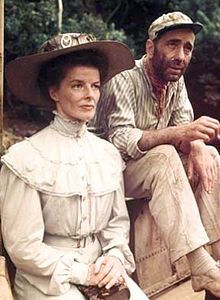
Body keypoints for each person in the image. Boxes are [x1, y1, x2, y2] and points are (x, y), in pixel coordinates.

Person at [0, 32, 149, 300]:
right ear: (54, 91)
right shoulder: (25, 159)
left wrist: (114, 258)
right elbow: (23, 247)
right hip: (46, 279)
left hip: (101, 271)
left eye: (95, 86)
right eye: (78, 85)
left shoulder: (107, 154)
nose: (90, 95)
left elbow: (116, 226)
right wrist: (81, 274)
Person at [94, 11, 220, 298]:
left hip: (146, 170)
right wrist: (180, 135)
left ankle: (214, 259)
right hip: (108, 171)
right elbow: (122, 140)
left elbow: (185, 125)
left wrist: (197, 144)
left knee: (211, 155)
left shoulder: (175, 80)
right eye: (172, 44)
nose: (181, 55)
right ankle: (200, 266)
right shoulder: (125, 77)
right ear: (151, 47)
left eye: (188, 48)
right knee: (165, 154)